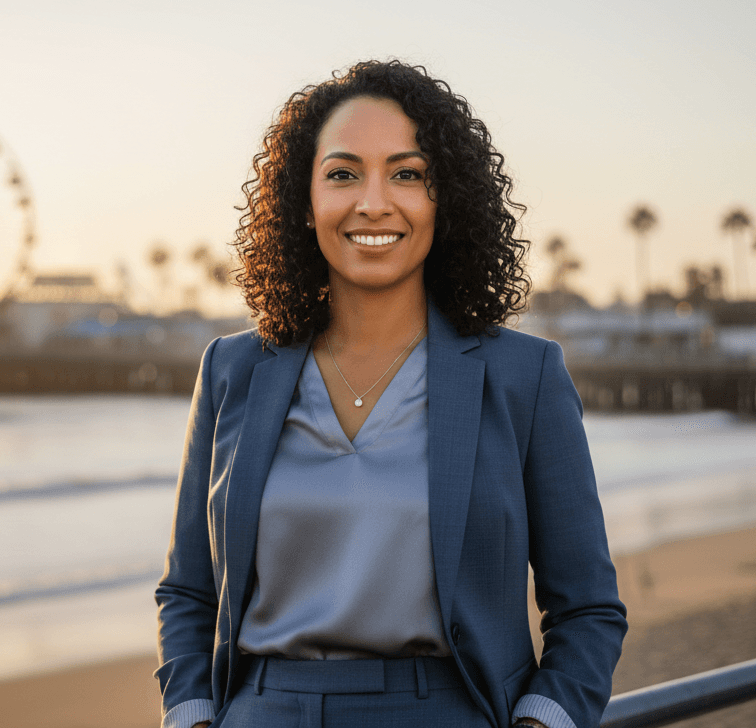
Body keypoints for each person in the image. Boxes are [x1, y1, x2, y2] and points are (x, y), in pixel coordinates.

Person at [155, 60, 626, 728]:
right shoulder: (233, 370)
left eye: (407, 173)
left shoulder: (525, 376)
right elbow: (188, 590)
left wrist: (543, 720)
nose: (373, 202)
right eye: (343, 174)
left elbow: (586, 607)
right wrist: (194, 713)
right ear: (303, 199)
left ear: (447, 198)